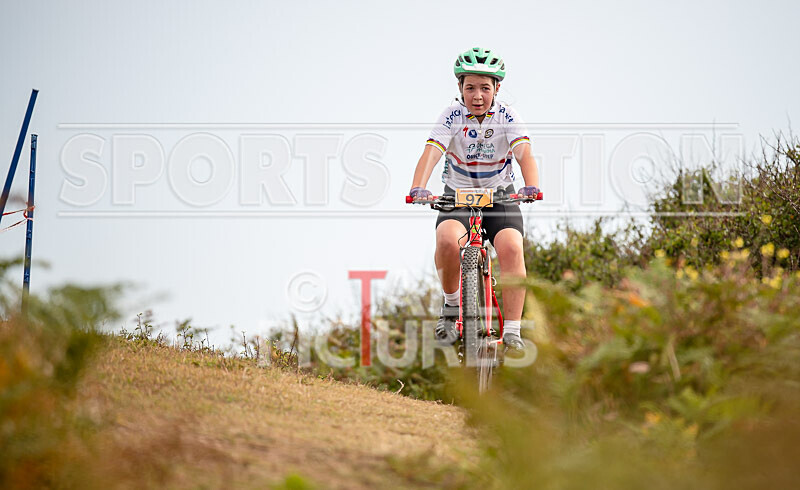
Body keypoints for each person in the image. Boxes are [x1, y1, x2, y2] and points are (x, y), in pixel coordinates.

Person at [409, 47, 540, 357]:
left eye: (485, 87)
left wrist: (532, 184)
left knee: (511, 247)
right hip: (457, 193)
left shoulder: (508, 117)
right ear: (460, 88)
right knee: (446, 241)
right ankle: (452, 309)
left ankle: (512, 331)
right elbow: (431, 152)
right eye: (470, 87)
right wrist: (418, 186)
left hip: (500, 195)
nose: (477, 95)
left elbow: (524, 154)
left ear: (496, 89)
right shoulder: (451, 116)